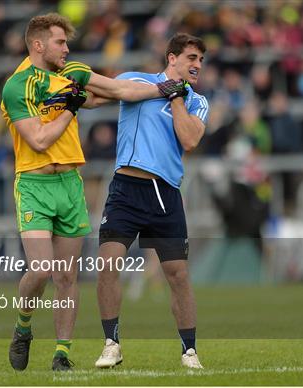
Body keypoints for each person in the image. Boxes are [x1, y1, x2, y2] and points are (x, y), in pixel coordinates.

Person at [0, 13, 186, 372]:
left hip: (70, 184)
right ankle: (23, 326)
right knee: (40, 270)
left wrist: (164, 88)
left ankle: (62, 354)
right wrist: (71, 107)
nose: (67, 48)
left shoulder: (73, 72)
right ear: (38, 45)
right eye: (60, 42)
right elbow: (39, 140)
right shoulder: (17, 85)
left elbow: (120, 90)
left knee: (67, 276)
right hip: (34, 184)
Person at [86, 33, 209, 369]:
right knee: (108, 265)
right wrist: (72, 92)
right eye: (191, 58)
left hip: (165, 193)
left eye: (200, 59)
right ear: (172, 58)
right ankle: (111, 343)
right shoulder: (136, 81)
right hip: (126, 189)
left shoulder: (198, 102)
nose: (197, 65)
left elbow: (189, 139)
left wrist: (178, 98)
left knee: (178, 275)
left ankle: (189, 351)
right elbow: (97, 96)